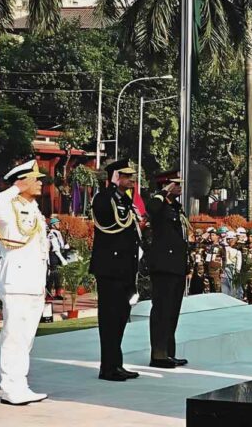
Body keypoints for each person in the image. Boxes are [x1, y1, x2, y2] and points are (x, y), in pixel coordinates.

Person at [0, 160, 49, 405]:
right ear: (21, 181)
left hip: (34, 281)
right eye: (35, 179)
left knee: (26, 338)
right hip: (16, 280)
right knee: (14, 335)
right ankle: (10, 388)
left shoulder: (33, 207)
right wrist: (14, 188)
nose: (40, 183)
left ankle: (20, 383)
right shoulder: (7, 205)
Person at [90, 159, 141, 382]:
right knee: (109, 318)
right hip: (110, 269)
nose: (132, 179)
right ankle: (107, 367)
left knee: (121, 317)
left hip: (124, 269)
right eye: (127, 176)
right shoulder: (104, 198)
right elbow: (107, 219)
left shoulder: (125, 201)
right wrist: (111, 188)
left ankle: (116, 363)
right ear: (115, 177)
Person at [146, 171, 189, 369]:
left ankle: (168, 352)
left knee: (172, 311)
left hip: (177, 265)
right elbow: (151, 208)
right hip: (163, 265)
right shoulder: (160, 204)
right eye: (176, 184)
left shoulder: (176, 207)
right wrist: (163, 192)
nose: (180, 187)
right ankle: (158, 353)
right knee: (162, 310)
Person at [46, 216, 68, 300]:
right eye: (57, 223)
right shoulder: (52, 234)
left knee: (58, 275)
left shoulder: (57, 233)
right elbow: (56, 249)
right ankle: (48, 294)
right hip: (53, 256)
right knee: (53, 275)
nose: (59, 225)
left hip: (58, 256)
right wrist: (62, 259)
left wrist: (65, 246)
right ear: (53, 225)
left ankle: (58, 293)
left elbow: (61, 245)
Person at [223, 231, 243, 297]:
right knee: (226, 284)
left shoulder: (238, 249)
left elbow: (239, 260)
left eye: (230, 239)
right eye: (227, 239)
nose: (228, 241)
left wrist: (237, 269)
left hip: (233, 268)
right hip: (226, 268)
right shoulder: (225, 247)